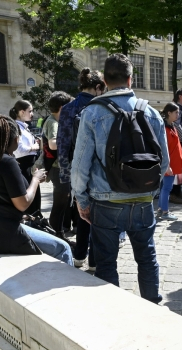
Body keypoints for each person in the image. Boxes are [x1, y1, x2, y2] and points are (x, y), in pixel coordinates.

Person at [71, 53, 169, 304]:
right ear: (131, 79)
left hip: (105, 201)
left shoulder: (92, 112)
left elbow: (80, 165)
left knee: (106, 262)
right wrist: (148, 190)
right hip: (143, 199)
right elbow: (164, 162)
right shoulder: (152, 113)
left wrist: (82, 201)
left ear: (104, 79)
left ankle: (115, 311)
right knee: (147, 258)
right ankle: (152, 306)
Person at [0, 115, 72, 264]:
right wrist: (36, 179)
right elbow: (23, 203)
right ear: (12, 139)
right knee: (62, 248)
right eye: (18, 136)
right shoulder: (7, 162)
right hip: (3, 233)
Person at [57, 68, 106, 269]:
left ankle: (79, 255)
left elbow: (62, 144)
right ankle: (94, 261)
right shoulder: (102, 107)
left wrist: (66, 175)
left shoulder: (68, 108)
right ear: (97, 87)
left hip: (77, 170)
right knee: (99, 216)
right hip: (101, 171)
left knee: (82, 212)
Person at [42, 91, 73, 238]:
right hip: (57, 169)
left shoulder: (54, 120)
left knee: (62, 202)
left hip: (59, 168)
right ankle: (56, 234)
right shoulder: (53, 122)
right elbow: (53, 144)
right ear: (62, 108)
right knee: (60, 204)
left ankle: (58, 232)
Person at [9, 100, 41, 213]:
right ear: (22, 112)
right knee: (30, 199)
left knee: (35, 199)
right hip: (24, 166)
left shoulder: (23, 126)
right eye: (30, 111)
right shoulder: (17, 127)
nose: (32, 114)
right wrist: (35, 147)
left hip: (30, 166)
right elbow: (20, 150)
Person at [159, 102, 182, 220]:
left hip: (171, 163)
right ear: (169, 113)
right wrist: (167, 165)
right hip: (168, 163)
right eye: (176, 112)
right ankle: (165, 212)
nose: (178, 114)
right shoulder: (165, 128)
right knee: (167, 188)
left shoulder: (171, 126)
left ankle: (161, 209)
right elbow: (163, 148)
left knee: (164, 187)